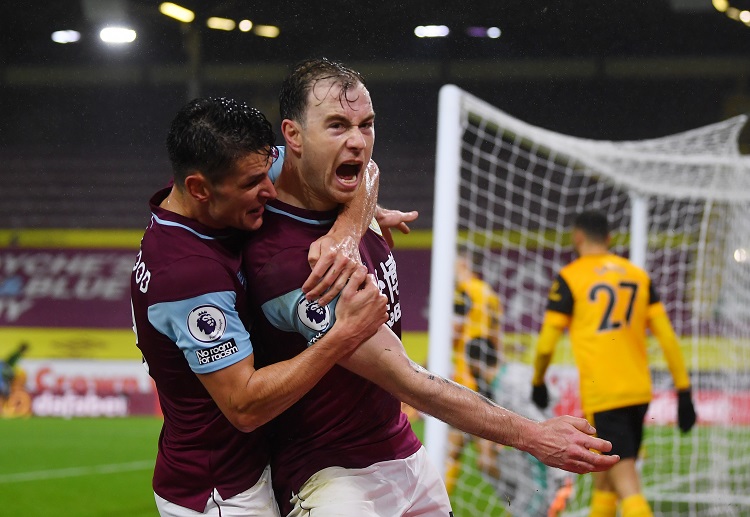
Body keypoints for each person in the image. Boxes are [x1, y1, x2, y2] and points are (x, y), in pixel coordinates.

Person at [243, 57, 620, 517]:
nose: (358, 142)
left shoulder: (344, 207)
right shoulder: (294, 264)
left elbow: (369, 171)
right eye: (337, 125)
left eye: (367, 124)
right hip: (332, 476)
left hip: (403, 453)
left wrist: (349, 228)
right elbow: (407, 379)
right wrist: (533, 436)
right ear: (293, 136)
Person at [130, 96, 395, 516]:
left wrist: (353, 222)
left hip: (262, 465)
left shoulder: (226, 172)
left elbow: (363, 170)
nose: (271, 190)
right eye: (254, 184)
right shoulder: (188, 275)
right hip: (222, 489)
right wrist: (341, 336)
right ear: (198, 188)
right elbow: (244, 406)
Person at [530, 209, 697, 517]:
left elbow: (545, 345)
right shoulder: (638, 276)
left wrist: (538, 380)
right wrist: (684, 391)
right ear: (609, 239)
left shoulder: (571, 277)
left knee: (627, 484)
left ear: (577, 237)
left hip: (605, 395)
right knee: (604, 481)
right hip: (639, 392)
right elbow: (668, 339)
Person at [445, 253, 503, 494]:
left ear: (466, 265)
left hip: (466, 377)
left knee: (481, 458)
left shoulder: (464, 292)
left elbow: (454, 333)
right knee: (453, 451)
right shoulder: (490, 294)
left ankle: (526, 499)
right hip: (484, 377)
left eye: (457, 263)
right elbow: (497, 339)